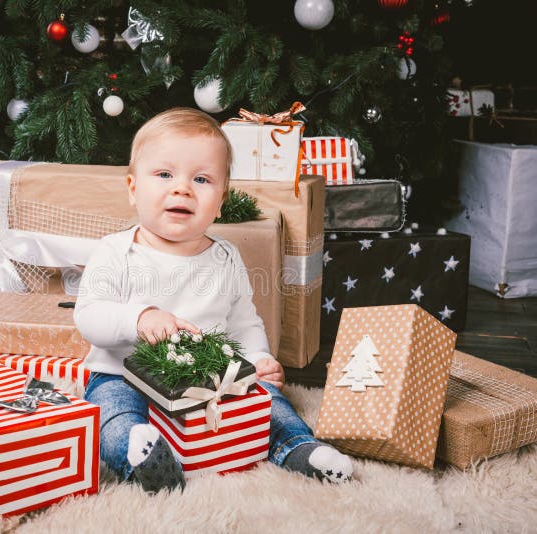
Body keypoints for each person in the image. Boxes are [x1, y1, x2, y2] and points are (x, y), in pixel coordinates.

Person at [73, 107, 353, 494]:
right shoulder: (115, 251)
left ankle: (299, 447)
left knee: (267, 402)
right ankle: (143, 459)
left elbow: (244, 323)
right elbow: (89, 316)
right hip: (122, 375)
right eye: (165, 174)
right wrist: (139, 318)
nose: (182, 188)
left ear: (220, 201)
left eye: (202, 179)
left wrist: (258, 359)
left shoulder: (225, 257)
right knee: (111, 414)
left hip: (212, 381)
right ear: (133, 187)